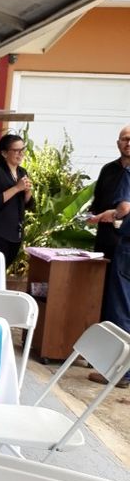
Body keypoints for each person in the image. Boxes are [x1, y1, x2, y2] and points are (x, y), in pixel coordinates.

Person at [88, 165, 130, 388]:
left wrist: (112, 215)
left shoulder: (126, 173)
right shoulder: (110, 169)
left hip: (127, 248)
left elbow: (123, 206)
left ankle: (119, 371)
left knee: (121, 311)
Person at [0, 133, 33, 268]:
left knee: (4, 268)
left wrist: (27, 192)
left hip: (15, 231)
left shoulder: (22, 172)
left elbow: (27, 204)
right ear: (4, 153)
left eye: (22, 150)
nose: (20, 154)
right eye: (16, 150)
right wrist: (16, 188)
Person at [89, 124, 130, 260]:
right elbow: (97, 201)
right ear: (118, 143)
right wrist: (90, 216)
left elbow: (125, 207)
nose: (128, 143)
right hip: (105, 240)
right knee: (101, 280)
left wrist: (115, 214)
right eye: (125, 139)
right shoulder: (108, 169)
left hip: (126, 243)